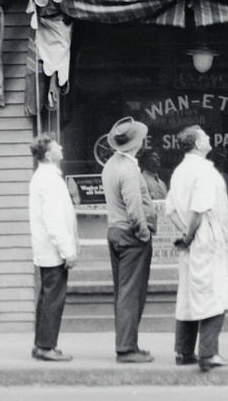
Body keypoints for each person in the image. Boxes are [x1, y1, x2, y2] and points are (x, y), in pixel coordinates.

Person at [165, 125, 228, 372]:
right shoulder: (204, 171)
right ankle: (209, 354)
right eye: (205, 137)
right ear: (198, 144)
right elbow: (200, 208)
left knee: (188, 294)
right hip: (207, 239)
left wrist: (184, 232)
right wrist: (190, 235)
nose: (209, 138)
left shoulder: (179, 171)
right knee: (214, 293)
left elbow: (170, 210)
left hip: (192, 239)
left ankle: (184, 351)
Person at [101, 116, 158, 363]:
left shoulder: (111, 165)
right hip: (130, 235)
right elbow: (134, 208)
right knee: (131, 293)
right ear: (136, 142)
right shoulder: (128, 169)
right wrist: (144, 233)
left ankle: (129, 343)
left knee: (124, 291)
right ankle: (126, 348)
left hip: (115, 231)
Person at [28, 133, 79, 362]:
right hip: (53, 250)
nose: (61, 146)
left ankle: (41, 344)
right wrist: (67, 250)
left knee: (46, 297)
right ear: (48, 155)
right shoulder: (49, 179)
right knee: (53, 299)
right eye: (56, 145)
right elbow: (54, 219)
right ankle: (46, 346)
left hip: (47, 249)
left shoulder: (43, 177)